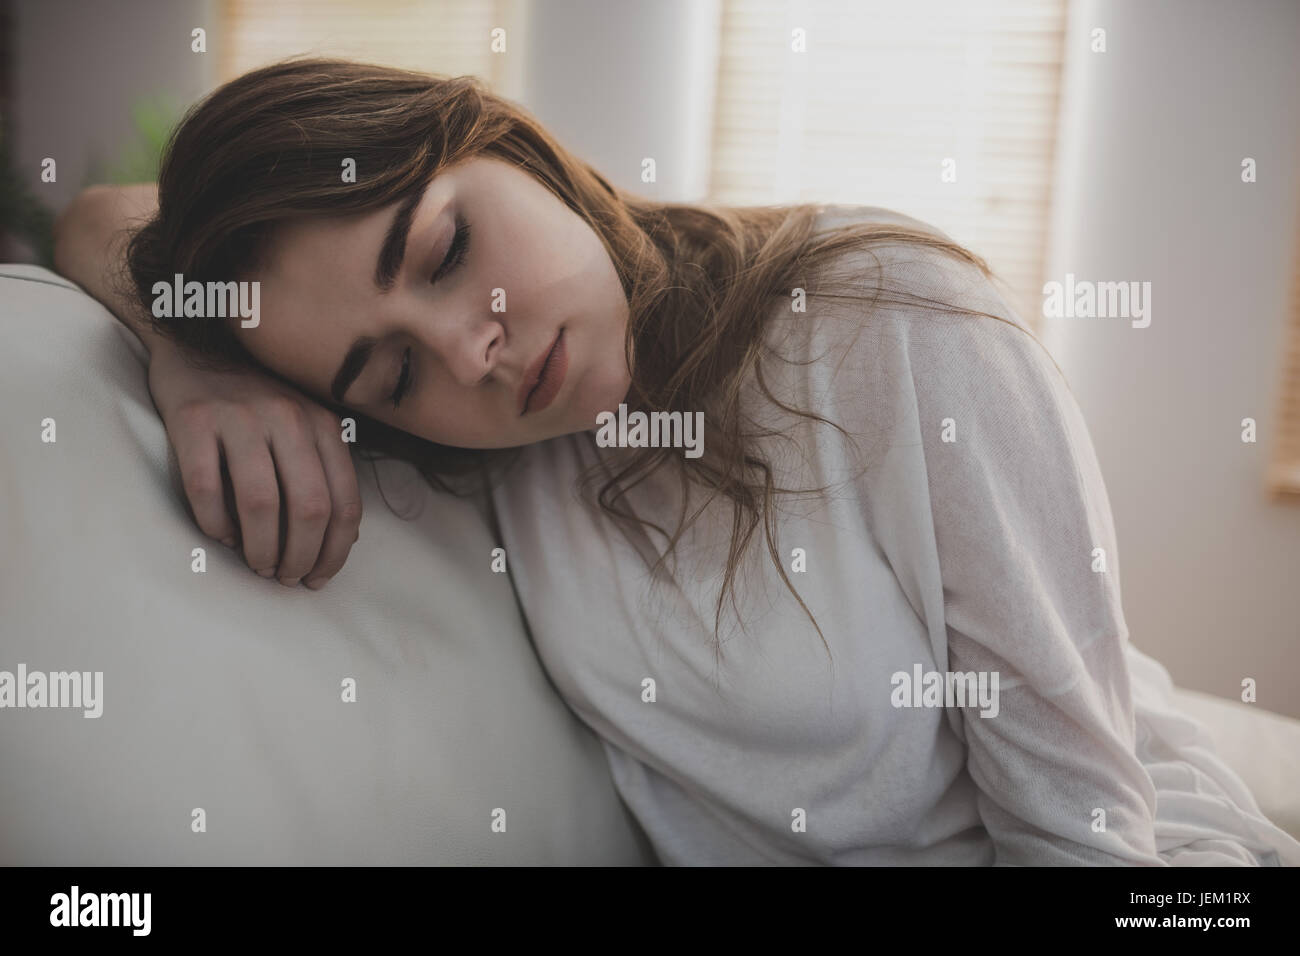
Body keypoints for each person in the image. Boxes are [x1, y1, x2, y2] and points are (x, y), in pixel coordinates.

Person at [53, 57, 1300, 866]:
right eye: (389, 372)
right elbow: (101, 217)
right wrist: (197, 362)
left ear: (504, 141)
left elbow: (1084, 833)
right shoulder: (493, 458)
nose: (469, 350)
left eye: (442, 253)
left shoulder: (894, 318)